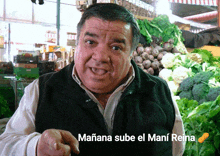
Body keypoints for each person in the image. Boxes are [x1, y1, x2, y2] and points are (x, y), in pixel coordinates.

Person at [0, 3, 185, 156]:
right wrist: (35, 146)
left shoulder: (158, 90)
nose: (101, 56)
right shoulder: (42, 89)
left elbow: (177, 148)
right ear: (78, 43)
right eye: (90, 42)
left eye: (115, 47)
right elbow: (6, 144)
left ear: (131, 53)